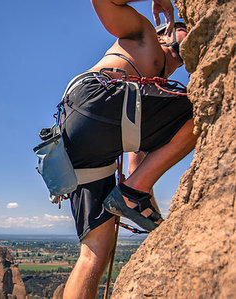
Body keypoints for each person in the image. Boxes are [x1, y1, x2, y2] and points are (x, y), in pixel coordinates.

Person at [59, 0, 198, 298]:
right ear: (164, 34)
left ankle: (131, 195)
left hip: (81, 137)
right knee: (203, 107)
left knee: (95, 253)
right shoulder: (143, 33)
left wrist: (141, 197)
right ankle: (131, 194)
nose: (192, 39)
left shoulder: (156, 97)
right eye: (186, 29)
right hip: (96, 99)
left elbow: (137, 165)